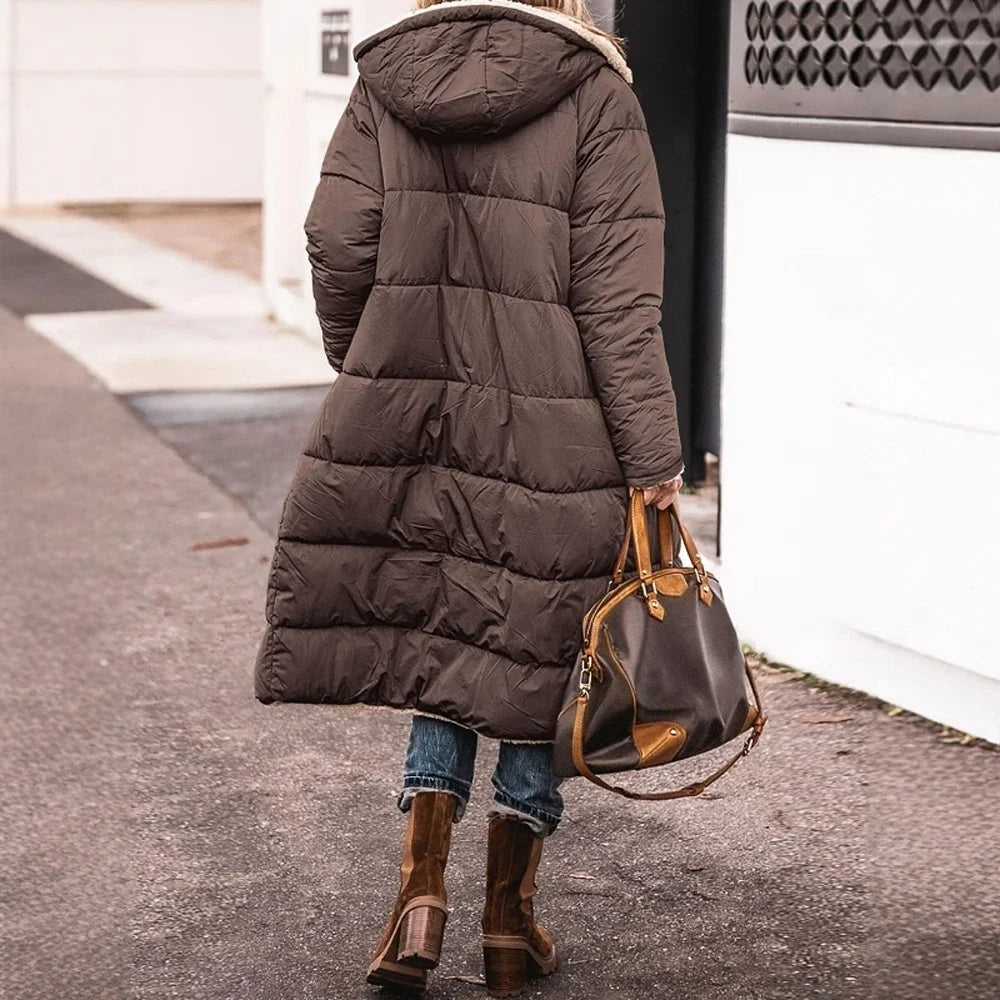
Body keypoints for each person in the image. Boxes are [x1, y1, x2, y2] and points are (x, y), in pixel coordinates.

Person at [255, 1, 684, 995]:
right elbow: (618, 302)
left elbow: (336, 237)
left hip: (418, 411)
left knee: (440, 638)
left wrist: (370, 360)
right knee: (534, 649)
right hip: (555, 429)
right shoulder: (593, 91)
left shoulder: (388, 80)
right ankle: (506, 917)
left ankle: (418, 898)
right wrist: (653, 456)